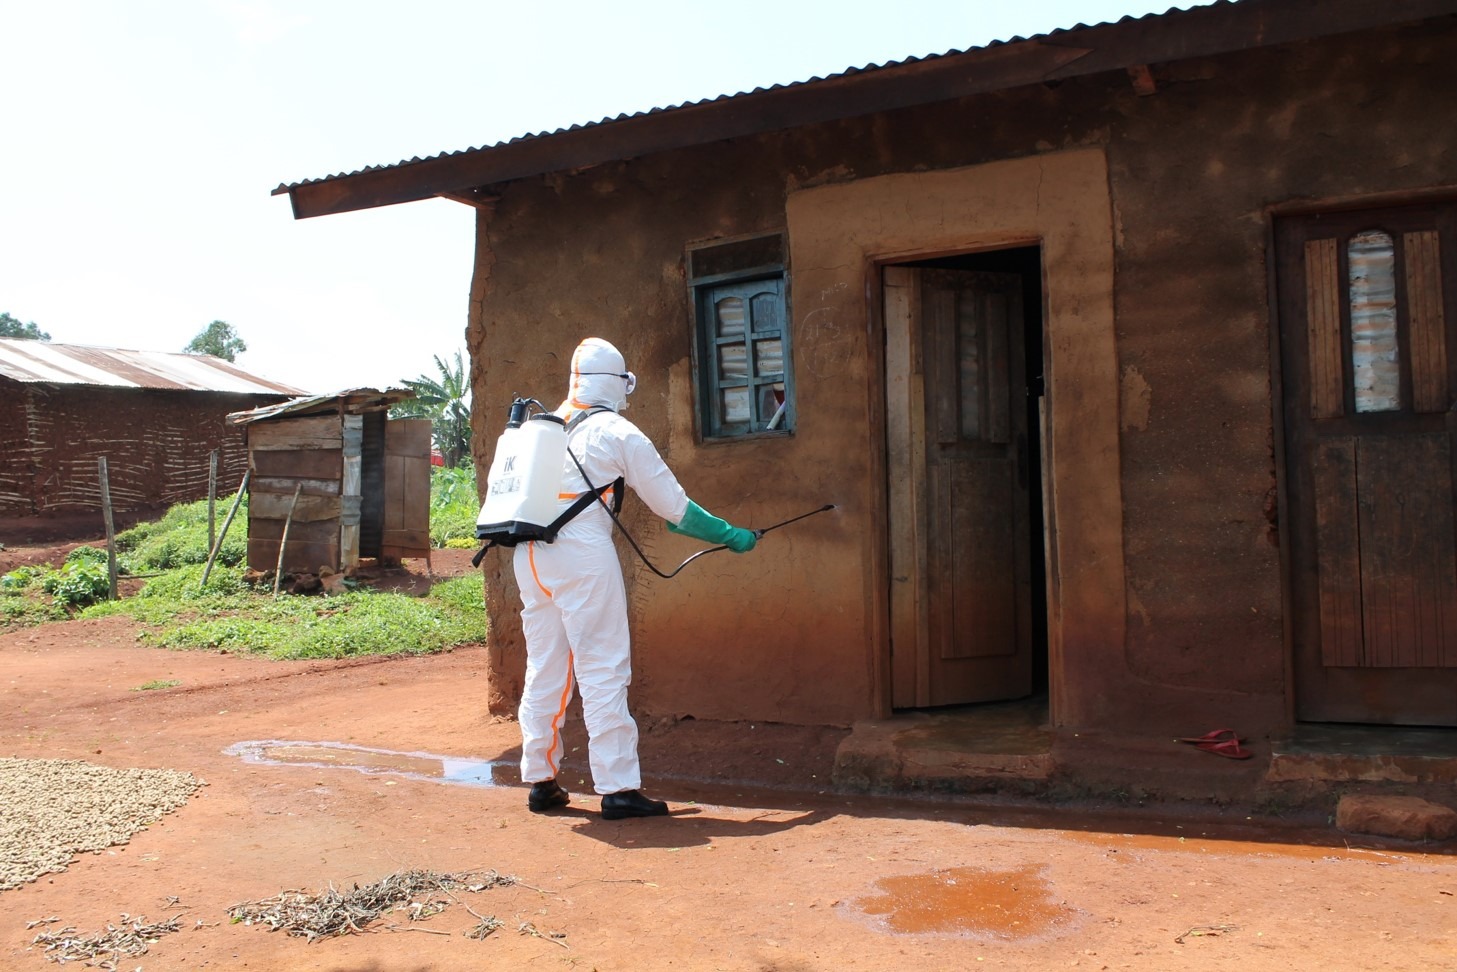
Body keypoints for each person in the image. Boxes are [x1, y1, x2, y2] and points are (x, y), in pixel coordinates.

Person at [516, 337, 757, 820]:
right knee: (603, 665)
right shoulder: (616, 431)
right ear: (619, 384)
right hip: (583, 554)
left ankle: (541, 780)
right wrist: (730, 534)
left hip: (529, 554)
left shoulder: (537, 428)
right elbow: (676, 511)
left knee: (546, 666)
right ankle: (619, 788)